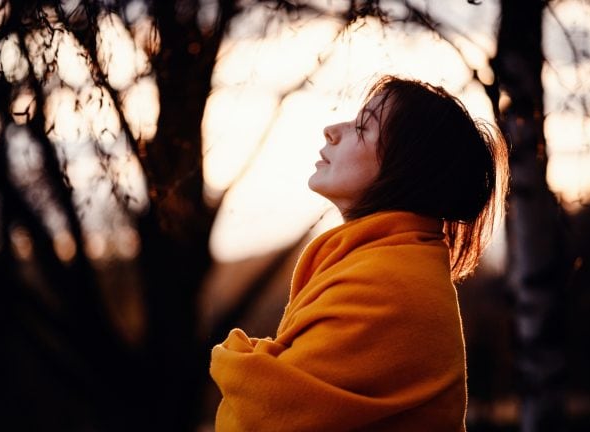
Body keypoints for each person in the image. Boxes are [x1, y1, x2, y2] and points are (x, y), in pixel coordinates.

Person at [209, 75, 509, 431]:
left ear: (406, 167)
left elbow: (261, 414)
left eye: (363, 128)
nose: (332, 130)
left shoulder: (391, 283)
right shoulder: (381, 265)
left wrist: (236, 360)